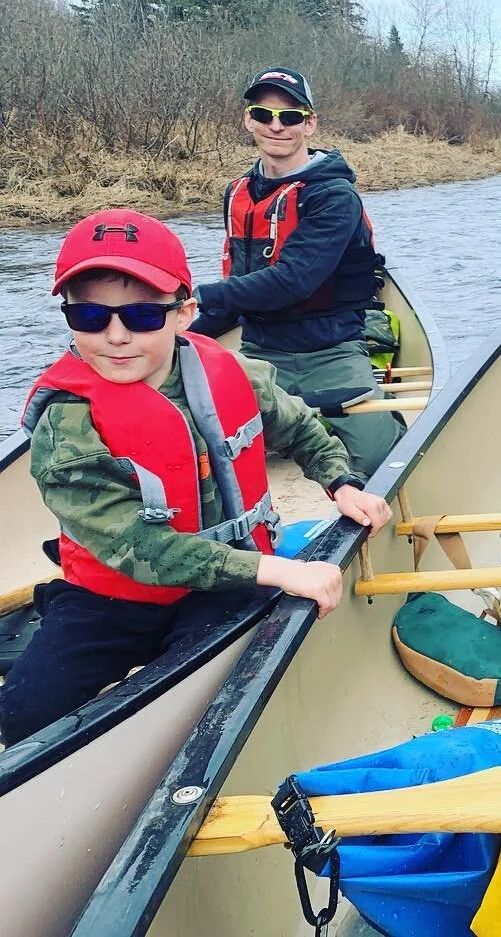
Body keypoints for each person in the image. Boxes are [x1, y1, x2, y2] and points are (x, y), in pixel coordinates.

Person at [3, 209, 392, 745]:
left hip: (223, 585)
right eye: (90, 317)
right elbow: (142, 549)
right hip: (115, 598)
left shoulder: (232, 373)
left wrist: (341, 481)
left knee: (205, 696)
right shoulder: (65, 424)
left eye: (141, 316)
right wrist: (279, 570)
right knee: (23, 718)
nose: (116, 336)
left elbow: (300, 426)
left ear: (184, 313)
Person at [188, 66, 402, 479]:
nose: (276, 126)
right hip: (261, 356)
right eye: (263, 114)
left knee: (378, 464)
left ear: (310, 123)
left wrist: (198, 294)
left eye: (290, 116)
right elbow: (238, 293)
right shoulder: (238, 194)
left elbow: (293, 281)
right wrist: (178, 337)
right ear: (248, 119)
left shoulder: (335, 197)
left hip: (333, 352)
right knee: (202, 458)